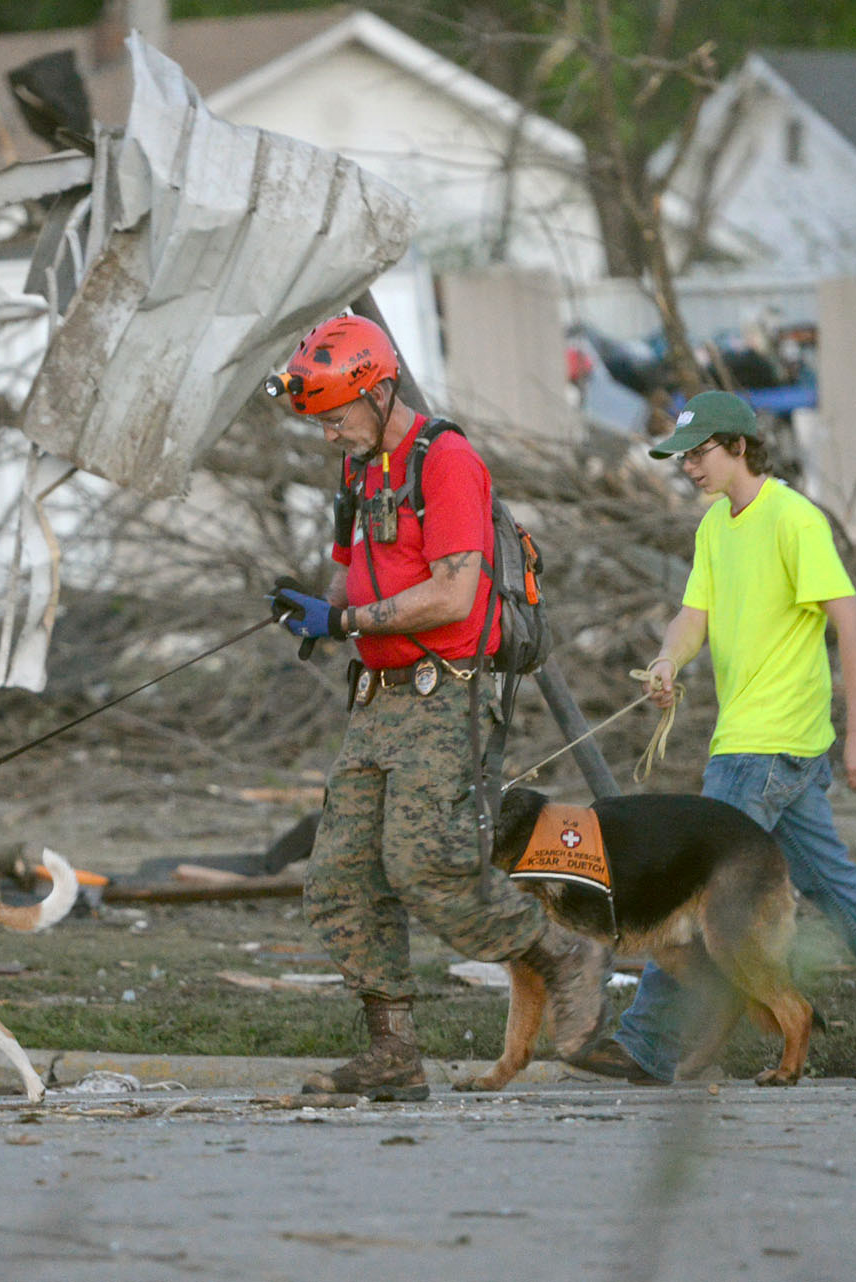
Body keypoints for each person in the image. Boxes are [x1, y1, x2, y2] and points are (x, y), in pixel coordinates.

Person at [578, 390, 856, 1085]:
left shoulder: (793, 519)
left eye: (700, 454)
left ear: (738, 447)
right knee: (838, 892)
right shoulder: (714, 528)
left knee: (689, 887)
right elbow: (691, 616)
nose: (690, 469)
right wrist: (670, 659)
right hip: (763, 752)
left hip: (765, 749)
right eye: (683, 458)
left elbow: (849, 622)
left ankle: (643, 1045)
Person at [264, 314, 607, 1100]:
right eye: (319, 420)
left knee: (427, 868)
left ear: (380, 391)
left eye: (338, 416)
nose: (329, 434)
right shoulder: (360, 470)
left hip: (442, 694)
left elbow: (454, 594)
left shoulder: (447, 462)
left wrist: (346, 622)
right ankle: (394, 1054)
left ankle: (563, 953)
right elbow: (351, 572)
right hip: (376, 701)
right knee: (340, 879)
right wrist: (312, 609)